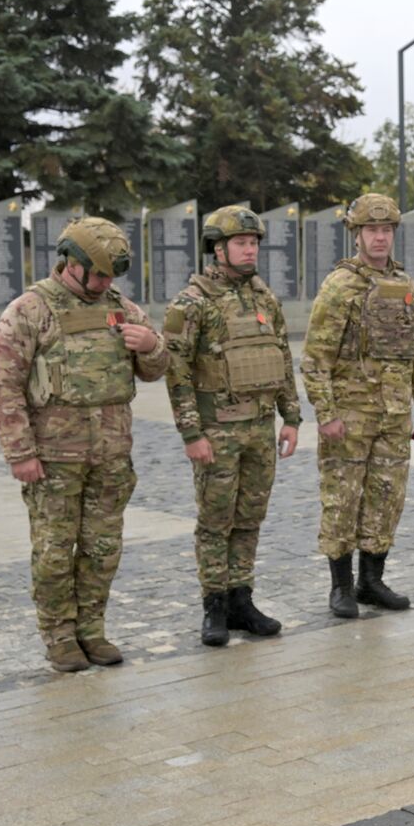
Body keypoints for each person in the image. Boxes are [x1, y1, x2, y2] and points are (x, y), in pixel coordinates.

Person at [0, 217, 169, 672]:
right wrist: (21, 453)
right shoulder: (29, 310)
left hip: (110, 457)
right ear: (71, 263)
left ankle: (92, 630)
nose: (106, 283)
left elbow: (156, 368)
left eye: (112, 276)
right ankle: (59, 636)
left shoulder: (122, 309)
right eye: (100, 274)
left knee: (102, 548)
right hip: (53, 460)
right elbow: (4, 386)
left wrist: (150, 345)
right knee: (53, 551)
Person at [162, 205, 301, 647]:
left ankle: (243, 600)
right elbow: (177, 372)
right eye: (241, 243)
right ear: (218, 249)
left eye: (254, 242)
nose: (249, 250)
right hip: (217, 431)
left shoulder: (265, 298)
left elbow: (281, 359)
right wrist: (191, 433)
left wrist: (292, 417)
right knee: (215, 521)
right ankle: (214, 606)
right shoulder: (192, 302)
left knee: (249, 519)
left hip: (260, 429)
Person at [301, 193, 414, 617]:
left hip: (393, 417)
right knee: (342, 499)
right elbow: (316, 358)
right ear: (356, 235)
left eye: (386, 230)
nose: (379, 238)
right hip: (350, 418)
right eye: (371, 230)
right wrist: (326, 415)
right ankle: (341, 586)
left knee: (386, 498)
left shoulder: (406, 288)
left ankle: (372, 581)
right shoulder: (340, 286)